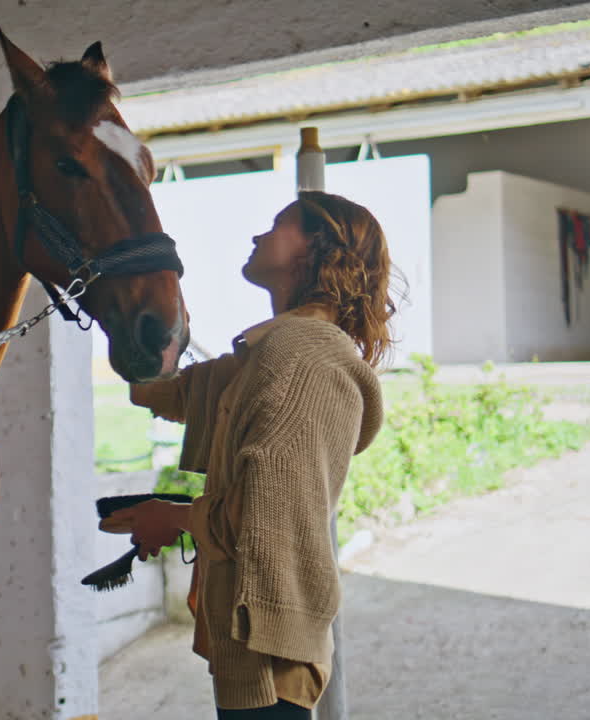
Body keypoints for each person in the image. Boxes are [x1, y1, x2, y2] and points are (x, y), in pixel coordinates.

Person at [106, 191, 395, 718]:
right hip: (255, 633)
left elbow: (269, 522)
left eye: (278, 225)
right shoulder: (267, 354)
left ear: (316, 249)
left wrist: (168, 516)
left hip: (270, 646)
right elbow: (165, 388)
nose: (258, 235)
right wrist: (144, 309)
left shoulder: (301, 360)